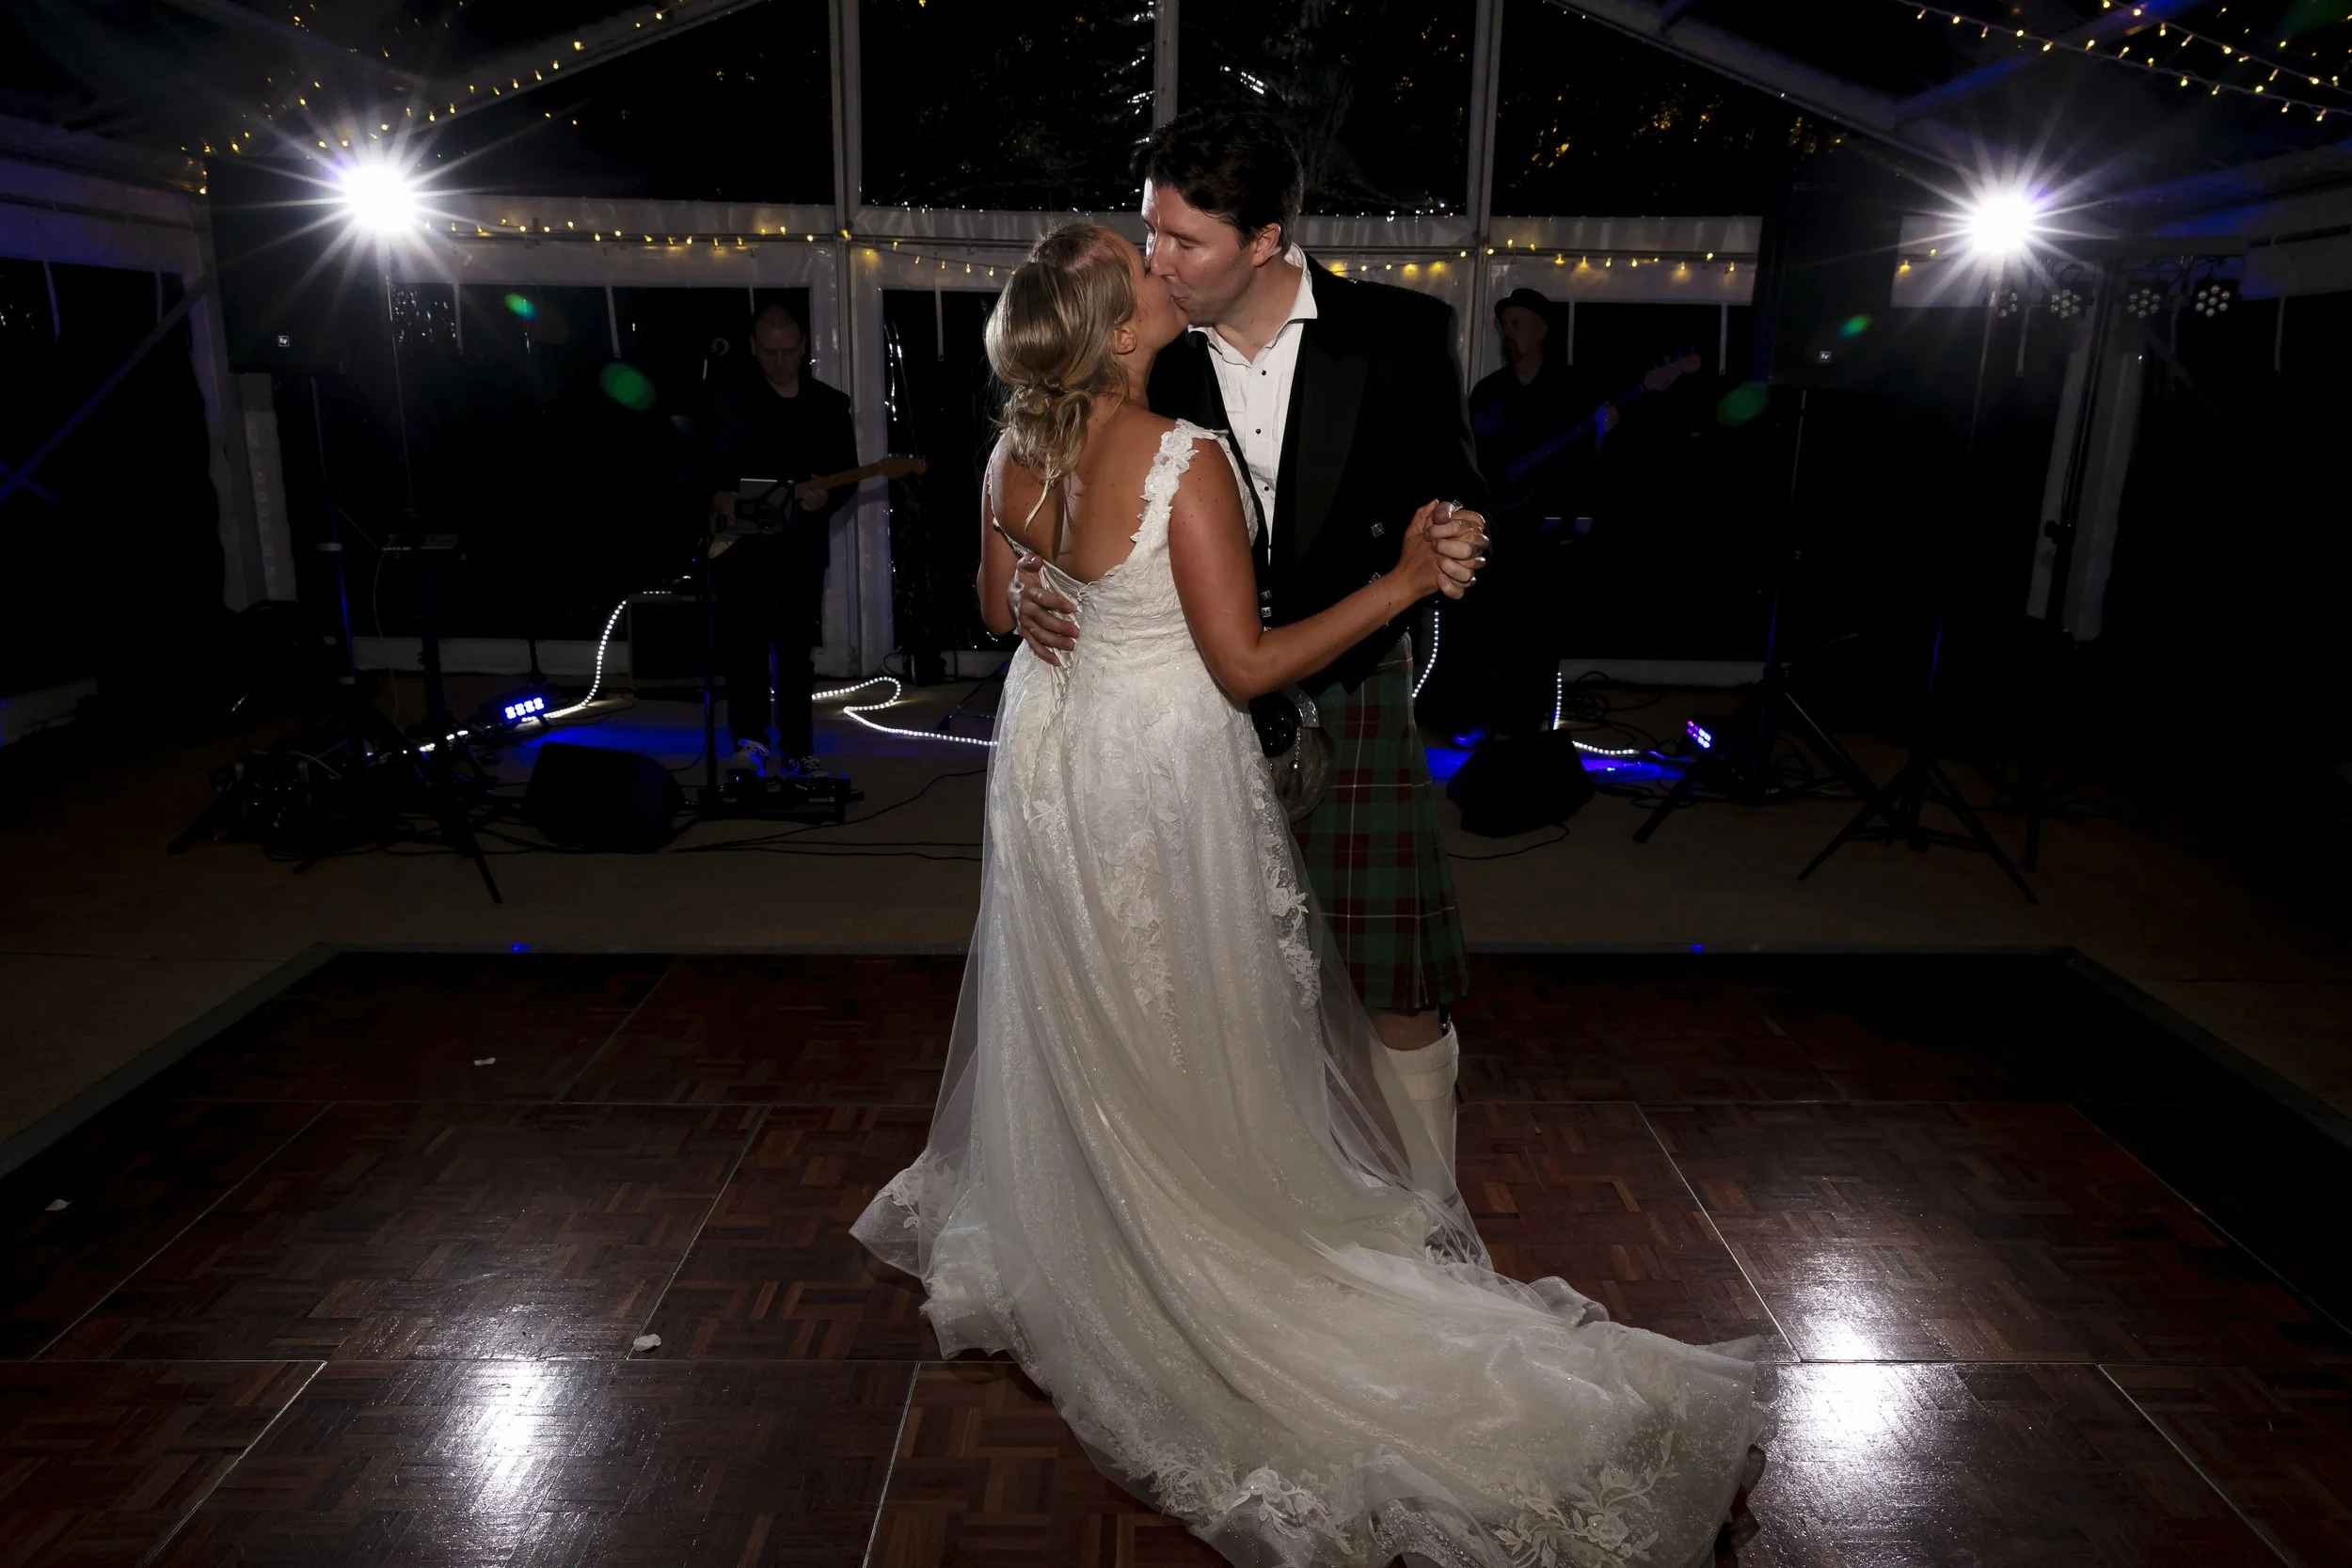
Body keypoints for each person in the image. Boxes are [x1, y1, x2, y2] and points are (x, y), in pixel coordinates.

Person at [853, 221, 1767, 1568]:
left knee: (1096, 1000)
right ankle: (1197, 1230)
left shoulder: (1012, 449)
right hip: (1158, 766)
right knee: (1183, 1004)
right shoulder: (1183, 458)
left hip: (1051, 762)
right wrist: (1400, 581)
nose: (1165, 265)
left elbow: (998, 605)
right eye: (1139, 262)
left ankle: (1105, 1204)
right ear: (1116, 330)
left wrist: (1046, 590)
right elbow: (1248, 661)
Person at [1017, 107, 1485, 1168]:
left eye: (1185, 241)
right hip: (1181, 708)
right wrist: (1032, 581)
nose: (1154, 261)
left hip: (1352, 690)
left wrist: (1454, 537)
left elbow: (1457, 489)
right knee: (1204, 982)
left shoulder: (1401, 333)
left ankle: (1432, 1209)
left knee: (1391, 973)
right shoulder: (1142, 347)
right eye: (1151, 231)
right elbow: (1047, 470)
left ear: (1266, 238)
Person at [696, 300, 858, 779]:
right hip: (743, 548)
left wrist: (822, 499)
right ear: (753, 347)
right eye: (769, 352)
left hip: (801, 549)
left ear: (803, 346)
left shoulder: (830, 405)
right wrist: (718, 497)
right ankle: (750, 742)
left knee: (794, 652)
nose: (781, 361)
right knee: (745, 647)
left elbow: (844, 477)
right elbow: (698, 465)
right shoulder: (728, 400)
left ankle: (798, 747)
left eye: (789, 351)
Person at [1449, 287, 1619, 739]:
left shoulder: (1572, 392)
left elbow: (1590, 467)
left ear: (1542, 331)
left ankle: (1525, 725)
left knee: (1537, 633)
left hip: (1546, 535)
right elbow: (1466, 461)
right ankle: (1472, 718)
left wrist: (1602, 435)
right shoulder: (1488, 393)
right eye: (1504, 325)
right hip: (1496, 528)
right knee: (1483, 626)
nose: (1508, 333)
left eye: (1517, 324)